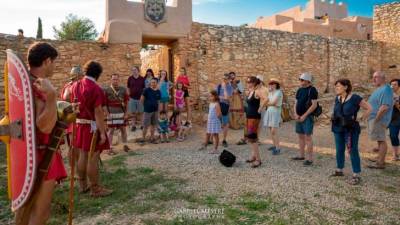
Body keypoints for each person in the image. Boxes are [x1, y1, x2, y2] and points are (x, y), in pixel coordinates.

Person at [15, 42, 67, 225]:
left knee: (28, 210)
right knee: (40, 213)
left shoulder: (26, 82)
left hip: (34, 153)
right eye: (54, 62)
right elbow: (44, 126)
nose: (55, 66)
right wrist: (52, 96)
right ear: (46, 61)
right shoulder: (36, 87)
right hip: (41, 155)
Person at [69, 60, 112, 197]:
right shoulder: (95, 88)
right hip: (91, 127)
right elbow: (98, 112)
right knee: (92, 157)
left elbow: (67, 99)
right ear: (98, 74)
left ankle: (83, 185)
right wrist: (102, 132)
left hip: (79, 124)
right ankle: (95, 189)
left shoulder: (75, 85)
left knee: (82, 154)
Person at [330, 79, 372, 185]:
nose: (336, 88)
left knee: (352, 150)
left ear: (345, 87)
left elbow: (369, 108)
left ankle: (356, 174)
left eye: (338, 86)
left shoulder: (354, 98)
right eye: (336, 86)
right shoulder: (337, 98)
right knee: (339, 149)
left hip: (351, 129)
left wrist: (361, 118)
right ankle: (339, 170)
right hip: (338, 128)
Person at [367, 71, 394, 169]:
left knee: (381, 140)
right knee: (379, 139)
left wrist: (376, 120)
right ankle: (379, 157)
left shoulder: (386, 89)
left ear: (383, 78)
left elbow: (384, 107)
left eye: (376, 77)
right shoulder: (380, 88)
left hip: (379, 119)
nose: (374, 79)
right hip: (375, 118)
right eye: (373, 77)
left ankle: (380, 163)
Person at [292, 73, 318, 166]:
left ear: (308, 81)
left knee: (308, 137)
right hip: (298, 116)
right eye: (300, 79)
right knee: (300, 136)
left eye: (302, 80)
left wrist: (304, 115)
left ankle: (310, 159)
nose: (300, 81)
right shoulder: (299, 90)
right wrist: (295, 113)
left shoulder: (312, 90)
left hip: (307, 117)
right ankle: (301, 155)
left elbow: (314, 105)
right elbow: (296, 103)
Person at [103, 73, 130, 154]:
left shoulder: (123, 89)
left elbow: (126, 102)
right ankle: (109, 147)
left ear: (119, 80)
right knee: (111, 131)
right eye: (114, 79)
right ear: (111, 80)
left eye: (117, 79)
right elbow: (104, 104)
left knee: (123, 129)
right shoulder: (107, 90)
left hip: (121, 112)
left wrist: (126, 113)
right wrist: (107, 114)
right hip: (111, 113)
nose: (115, 81)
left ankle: (125, 145)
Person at [245, 76, 268, 168]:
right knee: (251, 138)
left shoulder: (257, 91)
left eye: (250, 82)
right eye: (247, 82)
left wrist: (260, 108)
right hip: (249, 117)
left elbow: (266, 99)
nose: (248, 83)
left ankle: (258, 160)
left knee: (253, 138)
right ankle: (254, 156)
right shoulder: (251, 91)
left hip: (254, 117)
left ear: (254, 83)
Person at [263, 78, 283, 155]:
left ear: (276, 85)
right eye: (270, 84)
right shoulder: (270, 92)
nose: (271, 85)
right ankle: (274, 145)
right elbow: (267, 100)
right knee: (271, 129)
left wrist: (265, 104)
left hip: (275, 112)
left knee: (273, 131)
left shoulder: (279, 92)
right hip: (270, 111)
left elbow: (274, 103)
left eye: (272, 84)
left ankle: (277, 148)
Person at [140, 78, 161, 144]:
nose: (153, 83)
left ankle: (152, 138)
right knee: (145, 125)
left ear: (157, 83)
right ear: (150, 83)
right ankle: (143, 138)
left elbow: (158, 101)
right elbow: (142, 99)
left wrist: (158, 110)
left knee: (153, 125)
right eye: (152, 82)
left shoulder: (158, 91)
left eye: (154, 82)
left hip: (155, 111)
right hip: (147, 111)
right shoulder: (146, 90)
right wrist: (145, 106)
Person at [216, 73, 234, 147]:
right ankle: (212, 139)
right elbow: (215, 97)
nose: (224, 80)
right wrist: (221, 97)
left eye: (226, 79)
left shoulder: (230, 88)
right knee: (216, 123)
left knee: (225, 124)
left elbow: (227, 98)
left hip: (225, 106)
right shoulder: (219, 86)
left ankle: (224, 140)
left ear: (229, 80)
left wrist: (224, 89)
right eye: (223, 78)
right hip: (218, 106)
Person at [127, 66, 145, 132]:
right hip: (132, 98)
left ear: (138, 70)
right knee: (133, 113)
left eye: (135, 70)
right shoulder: (130, 78)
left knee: (141, 112)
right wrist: (129, 95)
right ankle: (133, 126)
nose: (134, 71)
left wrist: (143, 96)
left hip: (140, 98)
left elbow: (144, 88)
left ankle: (142, 125)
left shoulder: (142, 78)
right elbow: (128, 87)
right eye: (132, 70)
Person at [389, 79, 400, 161]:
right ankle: (395, 154)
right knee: (393, 136)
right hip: (393, 120)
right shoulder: (389, 96)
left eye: (395, 84)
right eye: (391, 84)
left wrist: (396, 102)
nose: (392, 86)